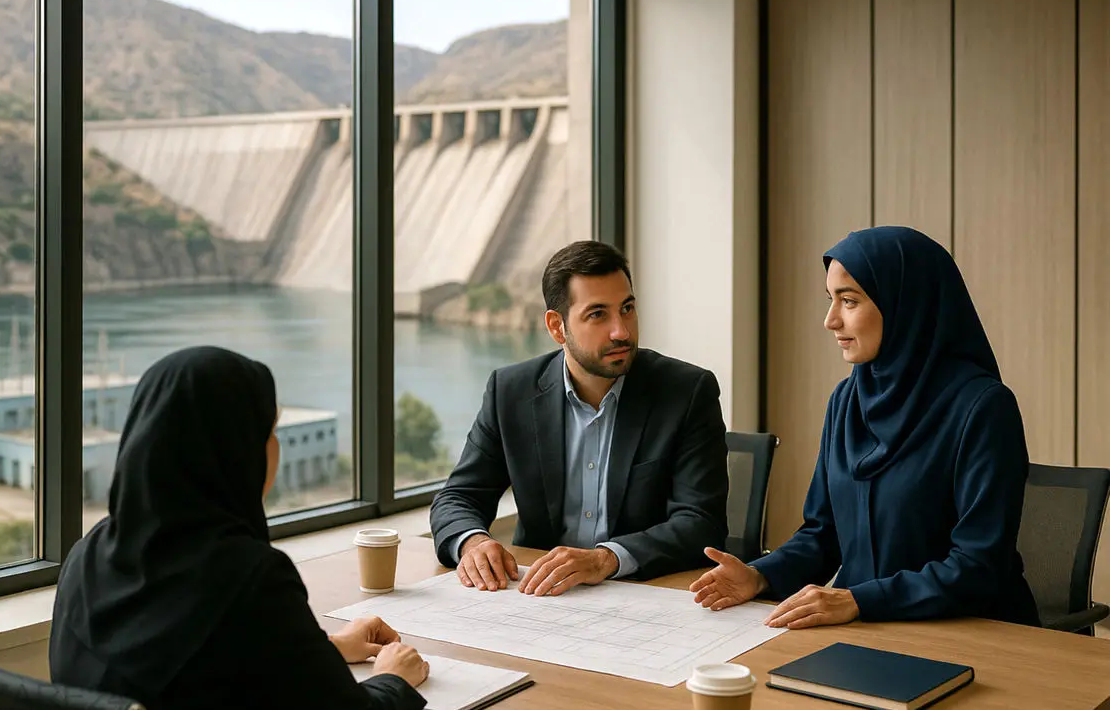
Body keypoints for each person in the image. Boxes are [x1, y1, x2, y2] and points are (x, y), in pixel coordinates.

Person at [49, 346, 430, 710]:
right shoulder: (248, 579)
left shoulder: (89, 553)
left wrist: (328, 650)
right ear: (235, 450)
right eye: (269, 433)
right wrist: (394, 679)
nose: (275, 449)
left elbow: (194, 670)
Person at [689, 226, 1040, 629]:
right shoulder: (847, 401)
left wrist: (860, 599)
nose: (830, 320)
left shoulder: (983, 408)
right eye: (830, 300)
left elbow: (978, 566)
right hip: (866, 628)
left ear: (905, 304)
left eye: (849, 301)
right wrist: (760, 575)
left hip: (973, 632)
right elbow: (822, 535)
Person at [430, 240, 730, 595]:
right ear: (557, 327)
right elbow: (459, 496)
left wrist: (605, 559)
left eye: (627, 308)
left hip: (646, 594)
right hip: (540, 596)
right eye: (598, 314)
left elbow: (700, 522)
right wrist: (473, 543)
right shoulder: (511, 391)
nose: (621, 331)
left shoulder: (686, 392)